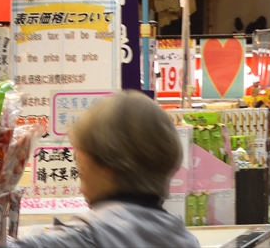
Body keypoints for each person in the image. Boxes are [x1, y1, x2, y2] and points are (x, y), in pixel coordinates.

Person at [24, 92, 198, 246]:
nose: (81, 189)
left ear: (109, 166)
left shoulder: (86, 237)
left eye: (81, 173)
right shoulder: (186, 239)